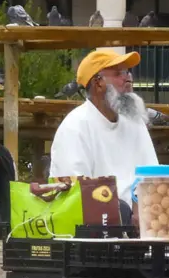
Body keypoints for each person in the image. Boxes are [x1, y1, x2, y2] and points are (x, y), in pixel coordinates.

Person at [49, 48, 159, 223]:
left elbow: (153, 176)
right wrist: (123, 214)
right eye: (118, 73)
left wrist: (144, 207)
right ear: (98, 83)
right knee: (120, 210)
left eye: (128, 72)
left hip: (141, 218)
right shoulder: (75, 126)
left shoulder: (134, 121)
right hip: (97, 225)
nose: (128, 78)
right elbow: (74, 193)